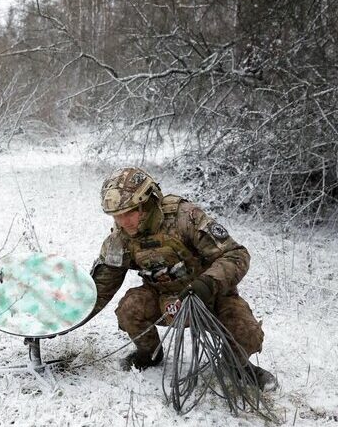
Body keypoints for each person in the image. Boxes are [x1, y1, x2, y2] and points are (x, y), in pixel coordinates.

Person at [88, 166, 277, 390]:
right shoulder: (120, 239)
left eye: (129, 212)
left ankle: (237, 366)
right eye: (116, 216)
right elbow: (100, 288)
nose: (123, 222)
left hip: (209, 297)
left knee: (247, 332)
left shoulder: (185, 218)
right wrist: (60, 322)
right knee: (130, 308)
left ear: (147, 203)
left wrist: (207, 284)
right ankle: (149, 354)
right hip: (164, 300)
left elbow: (236, 254)